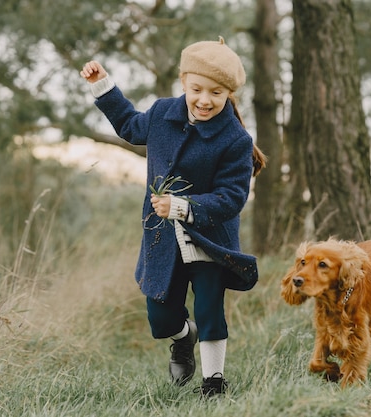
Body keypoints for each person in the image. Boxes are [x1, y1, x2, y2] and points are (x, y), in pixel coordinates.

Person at [80, 37, 266, 398]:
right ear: (183, 82)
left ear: (229, 93)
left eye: (216, 92)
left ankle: (214, 383)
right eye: (197, 89)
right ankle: (184, 337)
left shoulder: (236, 139)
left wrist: (183, 206)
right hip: (162, 238)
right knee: (161, 319)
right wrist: (103, 85)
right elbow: (131, 127)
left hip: (211, 238)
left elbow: (231, 198)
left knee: (210, 308)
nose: (205, 99)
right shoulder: (163, 113)